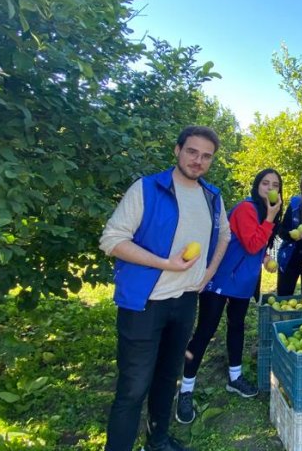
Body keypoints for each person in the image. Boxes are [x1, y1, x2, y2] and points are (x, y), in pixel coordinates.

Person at [99, 126, 230, 451]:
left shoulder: (211, 196)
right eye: (192, 152)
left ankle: (157, 441)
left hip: (184, 302)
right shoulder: (147, 189)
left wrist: (207, 273)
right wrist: (166, 264)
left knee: (167, 377)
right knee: (133, 388)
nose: (198, 161)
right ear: (177, 150)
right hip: (144, 304)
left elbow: (224, 235)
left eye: (206, 156)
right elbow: (112, 240)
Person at [175, 169, 283, 424]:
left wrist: (265, 257)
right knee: (205, 330)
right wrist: (269, 217)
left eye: (275, 184)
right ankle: (185, 389)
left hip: (243, 281)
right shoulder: (248, 208)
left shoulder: (265, 211)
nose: (270, 187)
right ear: (257, 185)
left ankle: (235, 378)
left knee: (237, 326)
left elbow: (258, 247)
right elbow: (252, 243)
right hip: (222, 278)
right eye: (265, 182)